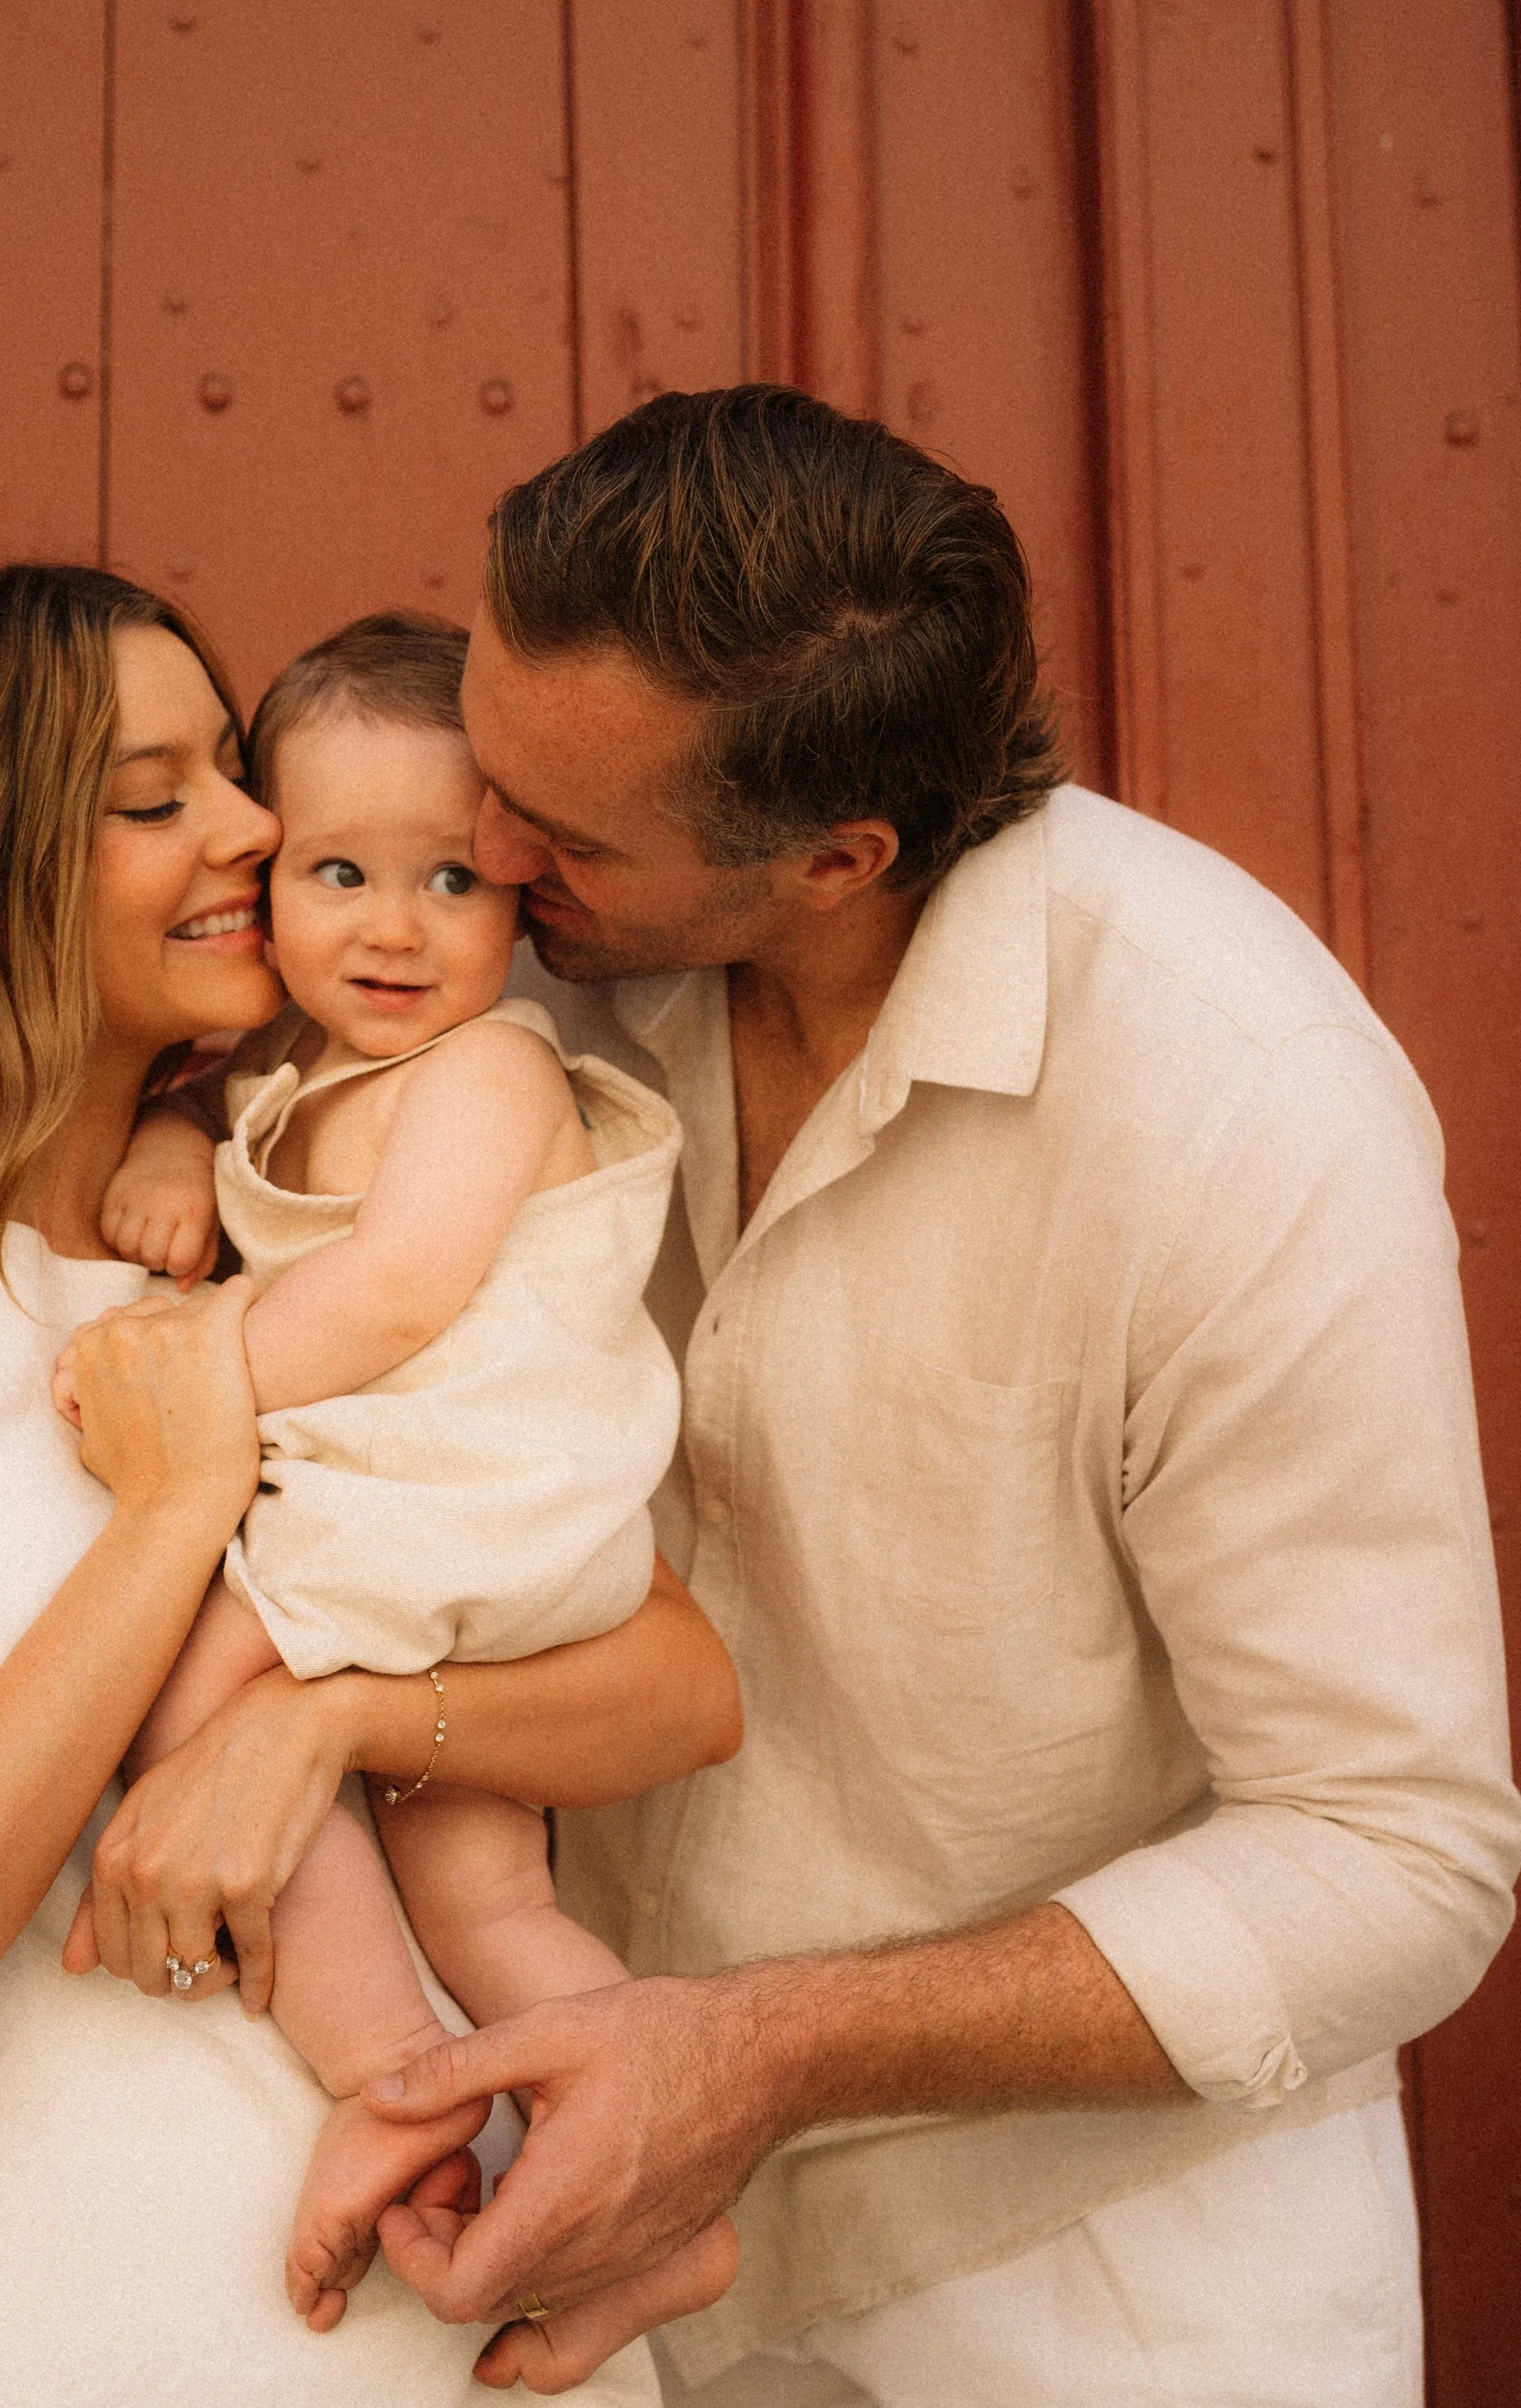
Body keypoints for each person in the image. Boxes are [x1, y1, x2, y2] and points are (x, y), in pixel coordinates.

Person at [334, 389, 1521, 2406]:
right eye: (486, 756)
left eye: (563, 830)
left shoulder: (1241, 1106)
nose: (483, 851)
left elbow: (1393, 1852)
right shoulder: (490, 938)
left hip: (1104, 2284)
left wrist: (762, 2046)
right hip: (576, 2244)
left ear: (834, 856)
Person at [0, 565, 740, 2407]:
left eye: (230, 768)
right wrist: (160, 1519)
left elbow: (681, 1686)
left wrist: (319, 1723)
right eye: (156, 800)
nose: (252, 823)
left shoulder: (303, 1244)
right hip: (45, 2340)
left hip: (477, 2335)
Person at [64, 610, 734, 2339]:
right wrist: (164, 1135)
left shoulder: (490, 1067)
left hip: (470, 1500)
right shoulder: (288, 1078)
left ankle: (389, 2072)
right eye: (339, 868)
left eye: (452, 881)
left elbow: (399, 1288)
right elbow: (227, 1122)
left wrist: (186, 1371)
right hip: (444, 1523)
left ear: (522, 902)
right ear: (268, 879)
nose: (389, 924)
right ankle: (656, 2180)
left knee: (187, 1689)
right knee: (490, 1889)